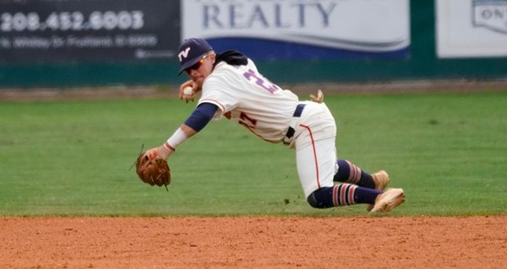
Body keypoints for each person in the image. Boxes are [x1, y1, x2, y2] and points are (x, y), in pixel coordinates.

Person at [143, 38, 405, 213]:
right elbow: (225, 80)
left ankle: (378, 196)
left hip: (306, 126)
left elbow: (202, 115)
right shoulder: (236, 62)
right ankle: (374, 181)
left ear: (211, 57)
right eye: (188, 71)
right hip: (309, 118)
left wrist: (167, 149)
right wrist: (200, 83)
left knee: (318, 195)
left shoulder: (218, 81)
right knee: (329, 168)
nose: (193, 72)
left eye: (197, 64)